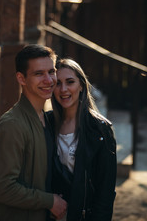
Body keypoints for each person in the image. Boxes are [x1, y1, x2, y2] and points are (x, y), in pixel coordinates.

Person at [0, 44, 67, 221]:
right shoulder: (12, 126)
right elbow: (3, 189)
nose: (48, 80)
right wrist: (50, 201)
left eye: (51, 71)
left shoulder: (46, 119)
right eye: (39, 74)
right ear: (21, 79)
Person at [50, 58, 117, 221]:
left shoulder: (100, 129)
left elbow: (106, 191)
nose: (63, 89)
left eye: (70, 82)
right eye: (58, 83)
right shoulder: (47, 124)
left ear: (81, 85)